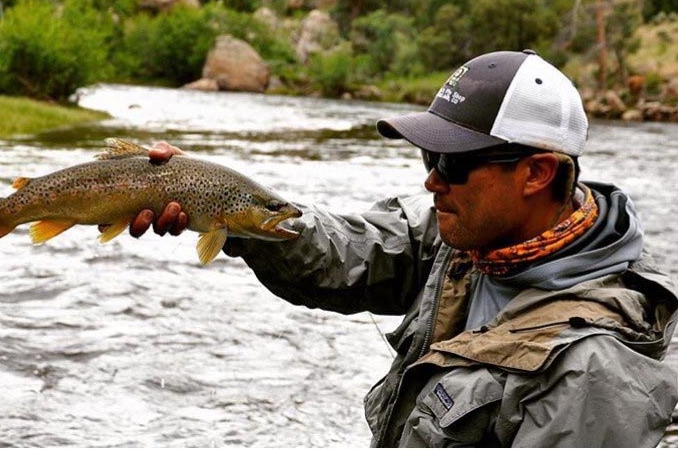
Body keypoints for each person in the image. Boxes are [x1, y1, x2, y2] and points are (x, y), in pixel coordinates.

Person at [124, 50, 678, 447]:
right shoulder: (466, 236)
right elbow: (346, 251)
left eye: (454, 163)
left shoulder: (595, 373)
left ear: (537, 173)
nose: (432, 182)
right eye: (427, 158)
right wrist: (223, 206)